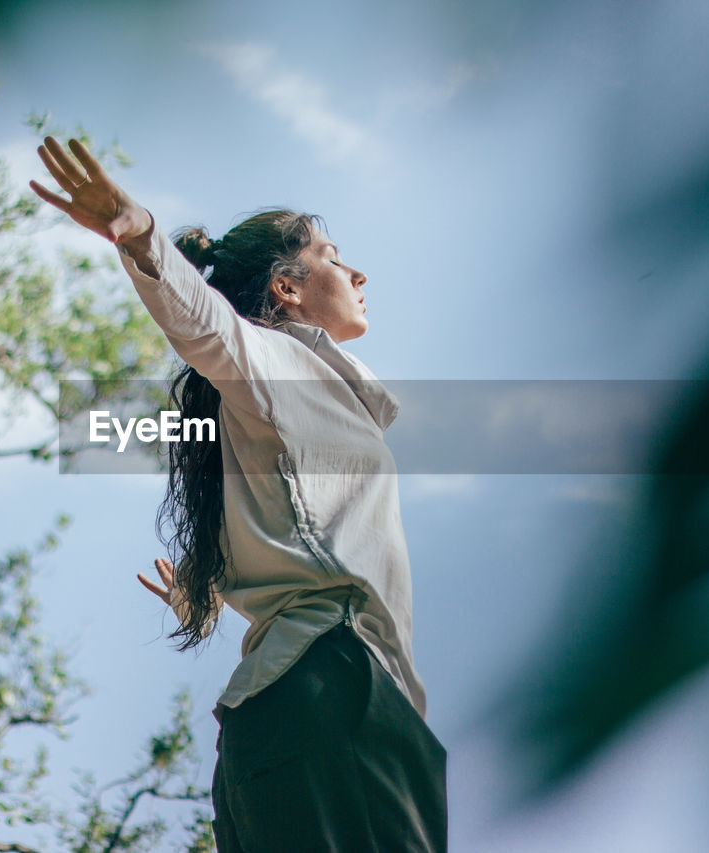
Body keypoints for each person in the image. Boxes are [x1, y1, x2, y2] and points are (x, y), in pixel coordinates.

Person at [31, 136, 446, 852]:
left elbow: (280, 526)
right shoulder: (276, 361)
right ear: (285, 289)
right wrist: (139, 234)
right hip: (339, 692)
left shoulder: (265, 410)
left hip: (285, 714)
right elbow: (210, 325)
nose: (357, 271)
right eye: (333, 256)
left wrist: (209, 587)